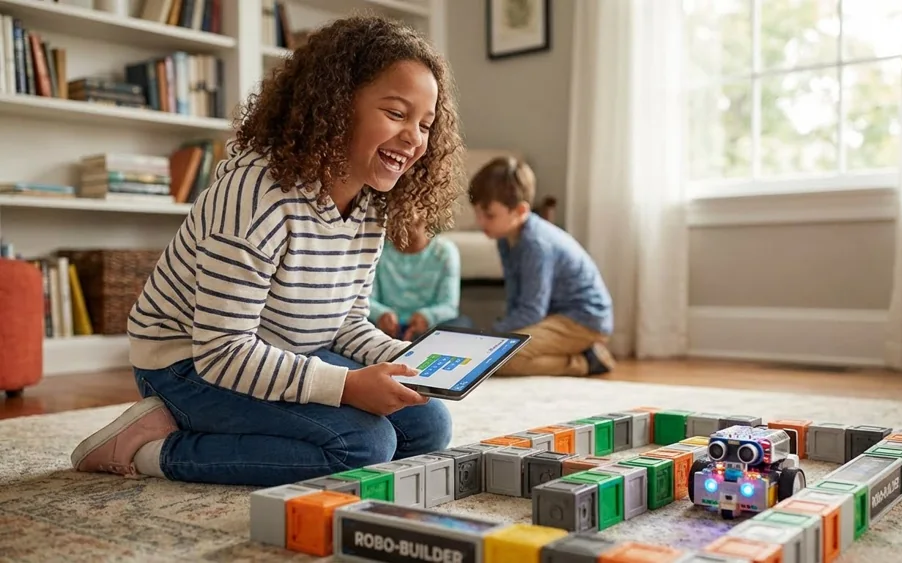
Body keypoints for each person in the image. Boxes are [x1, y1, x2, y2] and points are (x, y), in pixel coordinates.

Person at [69, 15, 466, 488]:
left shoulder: (370, 205)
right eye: (397, 114)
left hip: (281, 349)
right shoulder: (258, 194)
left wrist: (407, 360)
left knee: (429, 425)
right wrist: (346, 386)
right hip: (187, 363)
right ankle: (159, 447)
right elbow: (222, 351)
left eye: (425, 124)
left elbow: (344, 323)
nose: (415, 138)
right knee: (364, 445)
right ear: (337, 104)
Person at [469, 156, 616, 377]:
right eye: (478, 213)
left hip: (583, 320)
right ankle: (580, 354)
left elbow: (531, 310)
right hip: (552, 317)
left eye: (489, 215)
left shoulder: (536, 244)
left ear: (520, 211)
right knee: (496, 354)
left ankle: (586, 361)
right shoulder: (504, 237)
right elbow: (516, 297)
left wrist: (491, 336)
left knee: (501, 361)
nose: (480, 222)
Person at [369, 215, 474, 341]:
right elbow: (366, 299)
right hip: (386, 327)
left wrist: (427, 316)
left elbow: (449, 306)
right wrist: (381, 313)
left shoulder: (444, 251)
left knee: (463, 325)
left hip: (428, 328)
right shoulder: (379, 249)